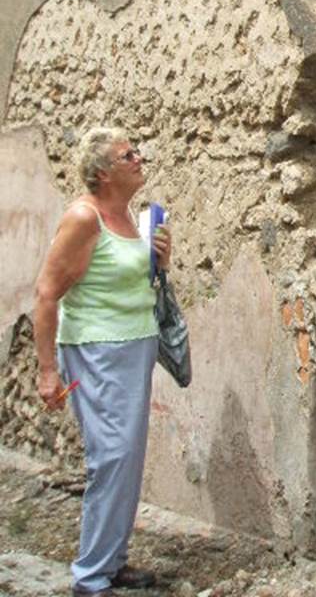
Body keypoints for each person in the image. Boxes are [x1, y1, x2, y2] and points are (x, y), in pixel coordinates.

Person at [34, 126, 171, 596]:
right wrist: (47, 369)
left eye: (136, 151)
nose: (138, 157)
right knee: (110, 458)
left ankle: (112, 560)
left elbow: (134, 282)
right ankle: (89, 578)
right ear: (102, 173)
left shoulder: (131, 217)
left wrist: (160, 264)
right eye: (126, 154)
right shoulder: (83, 217)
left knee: (127, 460)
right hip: (95, 351)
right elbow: (47, 294)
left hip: (136, 346)